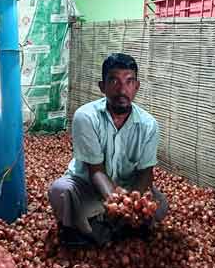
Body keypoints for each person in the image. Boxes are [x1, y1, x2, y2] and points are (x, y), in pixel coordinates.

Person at [48, 53, 168, 246]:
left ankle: (95, 231)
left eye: (129, 82)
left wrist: (132, 202)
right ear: (102, 86)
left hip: (128, 187)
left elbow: (146, 172)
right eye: (114, 81)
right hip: (87, 185)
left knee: (160, 205)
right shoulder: (85, 117)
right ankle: (113, 230)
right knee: (61, 191)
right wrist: (118, 204)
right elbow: (95, 171)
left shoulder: (148, 124)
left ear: (136, 86)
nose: (122, 89)